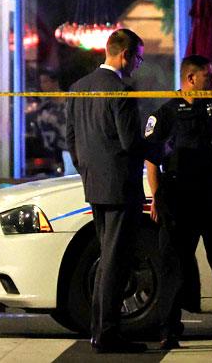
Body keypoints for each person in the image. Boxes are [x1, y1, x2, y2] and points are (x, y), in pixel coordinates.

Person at [143, 55, 212, 351]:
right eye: (207, 76)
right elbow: (152, 159)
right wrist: (156, 196)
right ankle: (168, 330)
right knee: (172, 268)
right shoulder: (166, 113)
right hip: (179, 198)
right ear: (191, 79)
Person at [65, 28, 148, 354]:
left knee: (105, 258)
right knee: (116, 261)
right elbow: (131, 143)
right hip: (120, 186)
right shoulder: (120, 92)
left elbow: (71, 141)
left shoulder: (78, 89)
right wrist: (159, 146)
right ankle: (108, 333)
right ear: (124, 54)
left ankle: (99, 329)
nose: (138, 65)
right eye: (138, 58)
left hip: (94, 185)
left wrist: (87, 168)